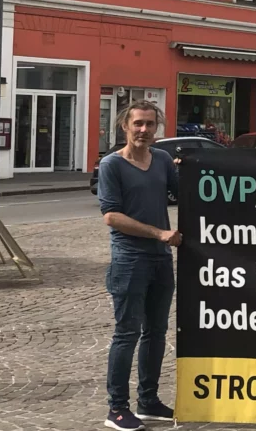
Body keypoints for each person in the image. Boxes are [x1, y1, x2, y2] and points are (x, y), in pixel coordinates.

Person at [98, 100, 181, 431]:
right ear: (125, 126)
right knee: (127, 333)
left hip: (161, 259)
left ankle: (149, 401)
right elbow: (111, 216)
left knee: (156, 332)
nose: (144, 130)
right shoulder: (111, 165)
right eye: (138, 124)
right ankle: (117, 409)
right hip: (130, 259)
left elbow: (182, 192)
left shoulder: (161, 159)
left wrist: (193, 167)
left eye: (150, 124)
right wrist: (159, 232)